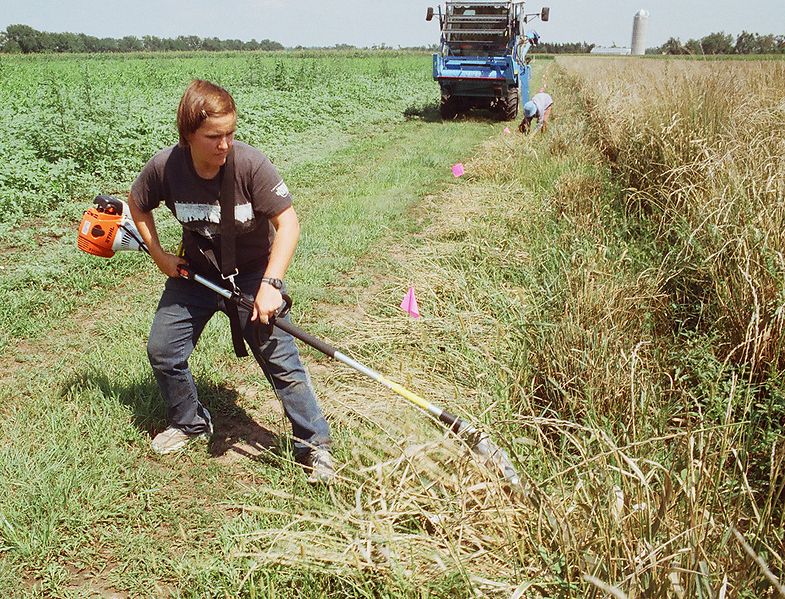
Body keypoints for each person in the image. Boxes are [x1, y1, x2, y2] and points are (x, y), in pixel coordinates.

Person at [128, 79, 335, 483]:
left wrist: (272, 284)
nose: (224, 145)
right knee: (163, 350)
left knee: (282, 362)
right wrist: (160, 256)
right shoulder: (165, 167)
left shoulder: (251, 165)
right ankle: (189, 422)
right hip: (198, 274)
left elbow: (288, 223)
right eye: (213, 136)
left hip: (255, 274)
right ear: (187, 135)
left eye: (230, 133)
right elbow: (137, 205)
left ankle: (315, 445)